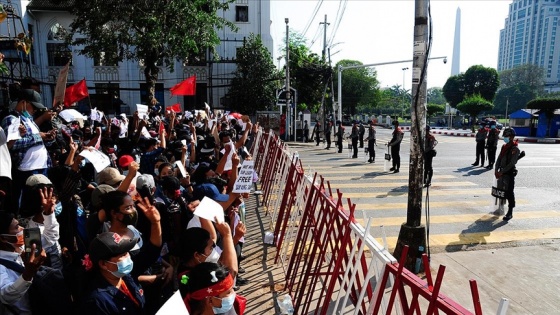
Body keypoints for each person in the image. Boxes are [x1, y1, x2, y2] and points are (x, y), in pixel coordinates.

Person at [2, 89, 53, 215]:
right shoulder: (11, 120)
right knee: (27, 206)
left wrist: (48, 138)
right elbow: (11, 145)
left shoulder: (29, 120)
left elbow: (37, 142)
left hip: (42, 167)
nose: (35, 110)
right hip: (26, 170)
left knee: (42, 204)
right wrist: (38, 137)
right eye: (33, 106)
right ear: (23, 103)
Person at [81, 232, 146, 314]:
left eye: (127, 252)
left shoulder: (126, 277)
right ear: (103, 264)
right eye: (123, 255)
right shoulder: (98, 301)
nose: (128, 257)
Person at [0, 210, 47, 315]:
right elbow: (5, 296)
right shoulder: (1, 267)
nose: (22, 229)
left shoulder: (23, 248)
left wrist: (49, 214)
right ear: (4, 238)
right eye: (17, 227)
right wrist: (28, 274)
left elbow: (49, 239)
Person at [495, 128, 521, 221]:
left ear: (512, 137)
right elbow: (499, 158)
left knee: (509, 192)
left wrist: (502, 171)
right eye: (504, 136)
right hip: (501, 173)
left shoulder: (515, 149)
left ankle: (510, 211)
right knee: (500, 191)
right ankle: (500, 208)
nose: (505, 138)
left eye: (507, 136)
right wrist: (496, 169)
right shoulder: (504, 146)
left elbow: (512, 163)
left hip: (509, 174)